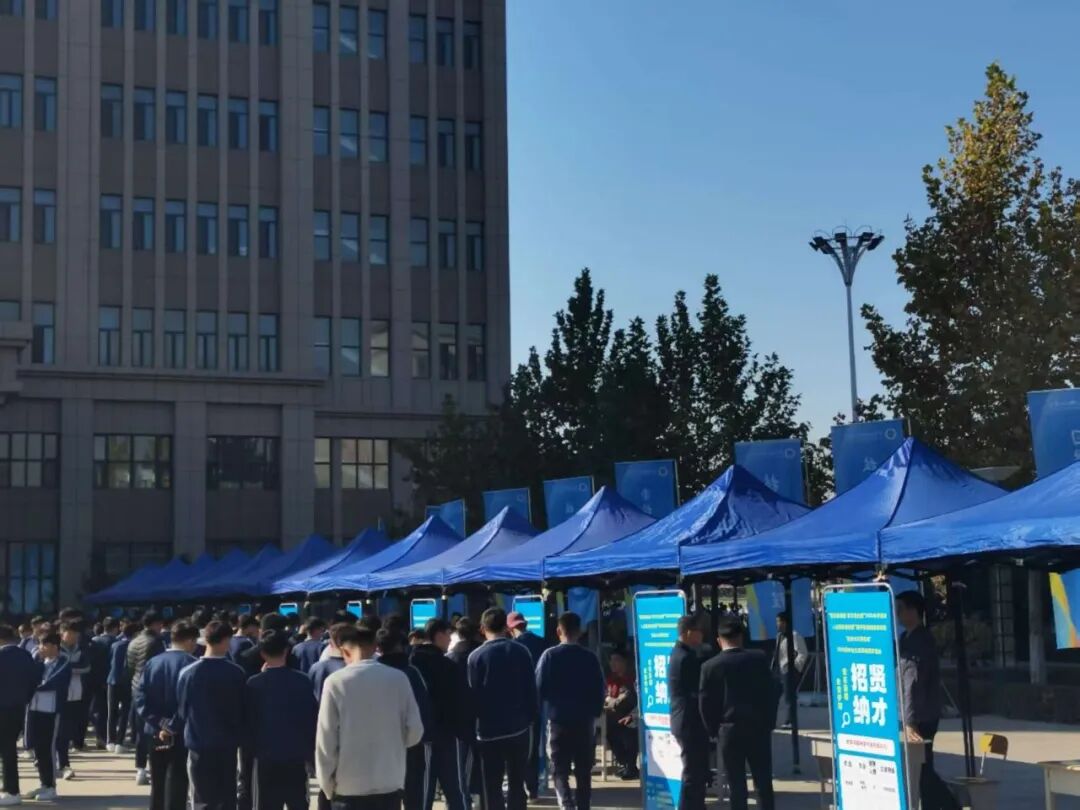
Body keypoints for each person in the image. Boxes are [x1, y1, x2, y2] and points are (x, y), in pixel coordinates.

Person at [315, 623, 424, 809]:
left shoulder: (335, 682)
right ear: (375, 648)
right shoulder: (399, 678)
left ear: (344, 651)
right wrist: (394, 747)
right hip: (389, 781)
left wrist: (326, 783)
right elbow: (415, 731)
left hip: (348, 784)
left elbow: (326, 738)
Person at [699, 615, 778, 810]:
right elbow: (773, 691)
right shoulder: (759, 659)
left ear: (719, 641)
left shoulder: (710, 667)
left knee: (736, 784)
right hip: (758, 728)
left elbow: (705, 703)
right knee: (763, 782)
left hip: (728, 730)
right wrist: (769, 722)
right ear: (741, 638)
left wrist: (713, 730)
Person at [467, 608, 538, 810]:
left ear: (482, 629)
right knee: (517, 782)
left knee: (491, 785)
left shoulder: (475, 657)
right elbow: (531, 689)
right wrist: (531, 718)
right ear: (506, 627)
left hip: (487, 731)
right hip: (519, 728)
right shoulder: (521, 651)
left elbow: (472, 695)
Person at [535, 612, 605, 810]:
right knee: (583, 771)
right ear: (580, 631)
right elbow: (599, 690)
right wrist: (595, 713)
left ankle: (566, 805)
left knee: (559, 770)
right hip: (584, 722)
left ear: (559, 631)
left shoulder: (549, 656)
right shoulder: (590, 658)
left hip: (558, 721)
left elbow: (538, 687)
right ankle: (583, 806)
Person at [175, 620, 248, 810]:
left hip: (198, 744)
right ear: (226, 640)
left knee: (201, 799)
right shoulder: (237, 672)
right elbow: (243, 710)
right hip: (228, 744)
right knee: (227, 798)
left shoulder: (188, 673)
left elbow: (182, 710)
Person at [896, 591, 959, 810]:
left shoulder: (921, 640)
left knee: (922, 768)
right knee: (921, 769)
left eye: (900, 609)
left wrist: (910, 721)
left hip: (922, 715)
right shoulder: (905, 638)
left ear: (913, 611)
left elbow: (913, 683)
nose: (897, 613)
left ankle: (951, 805)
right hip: (914, 713)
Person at [245, 629, 318, 810]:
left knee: (266, 804)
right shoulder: (302, 680)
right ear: (286, 650)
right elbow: (311, 718)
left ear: (262, 654)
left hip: (265, 755)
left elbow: (249, 722)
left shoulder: (253, 683)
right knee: (298, 802)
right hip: (296, 754)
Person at [135, 621, 199, 810]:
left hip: (154, 729)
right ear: (189, 640)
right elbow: (190, 702)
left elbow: (140, 697)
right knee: (178, 781)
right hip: (181, 731)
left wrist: (158, 722)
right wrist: (172, 725)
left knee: (158, 781)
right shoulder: (192, 664)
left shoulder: (153, 662)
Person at [409, 619, 470, 810]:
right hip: (447, 734)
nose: (450, 639)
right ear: (439, 635)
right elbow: (460, 700)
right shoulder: (447, 665)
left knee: (423, 790)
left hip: (418, 736)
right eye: (448, 634)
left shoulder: (411, 662)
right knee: (455, 789)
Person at [376, 629, 432, 810]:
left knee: (385, 796)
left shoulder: (373, 673)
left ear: (379, 648)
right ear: (401, 646)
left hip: (381, 744)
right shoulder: (411, 672)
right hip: (411, 743)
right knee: (414, 794)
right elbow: (423, 707)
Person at [23, 631, 70, 802]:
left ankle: (51, 786)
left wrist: (33, 688)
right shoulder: (40, 661)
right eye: (40, 644)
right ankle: (44, 783)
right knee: (38, 749)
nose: (40, 648)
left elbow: (52, 682)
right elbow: (31, 677)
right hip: (35, 708)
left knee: (48, 747)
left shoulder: (63, 662)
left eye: (44, 645)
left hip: (50, 710)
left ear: (55, 647)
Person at [669, 614, 709, 810]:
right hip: (689, 720)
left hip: (683, 719)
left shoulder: (679, 653)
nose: (702, 635)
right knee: (693, 772)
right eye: (699, 631)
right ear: (688, 632)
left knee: (696, 770)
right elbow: (697, 691)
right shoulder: (685, 658)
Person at [507, 611, 546, 800]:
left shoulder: (511, 647)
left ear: (510, 629)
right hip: (537, 703)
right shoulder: (542, 643)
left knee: (515, 749)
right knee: (533, 747)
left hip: (515, 705)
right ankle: (533, 787)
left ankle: (517, 787)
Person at [0, 624, 40, 805]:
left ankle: (11, 790)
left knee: (6, 751)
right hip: (18, 708)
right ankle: (9, 788)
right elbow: (34, 681)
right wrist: (24, 699)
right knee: (9, 749)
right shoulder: (25, 655)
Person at [447, 617, 482, 809]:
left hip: (457, 719)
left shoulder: (451, 657)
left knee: (461, 767)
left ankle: (463, 801)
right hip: (481, 717)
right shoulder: (480, 654)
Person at [128, 611, 167, 786]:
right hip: (152, 689)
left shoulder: (133, 641)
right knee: (153, 729)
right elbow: (159, 667)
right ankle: (154, 766)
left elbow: (129, 666)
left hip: (136, 687)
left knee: (139, 731)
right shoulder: (156, 642)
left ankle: (140, 768)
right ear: (155, 624)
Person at [57, 620, 91, 780]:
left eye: (76, 634)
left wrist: (69, 668)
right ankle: (61, 763)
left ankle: (62, 763)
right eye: (70, 634)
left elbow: (87, 667)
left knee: (67, 730)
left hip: (75, 694)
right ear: (62, 634)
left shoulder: (81, 649)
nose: (74, 637)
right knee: (58, 731)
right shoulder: (55, 648)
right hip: (58, 695)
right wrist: (71, 668)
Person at [603, 648, 639, 779]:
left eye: (616, 660)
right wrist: (610, 700)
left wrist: (610, 701)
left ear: (625, 662)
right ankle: (627, 764)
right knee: (609, 733)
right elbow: (606, 697)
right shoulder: (611, 680)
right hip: (614, 718)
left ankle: (630, 766)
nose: (613, 663)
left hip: (632, 716)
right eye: (611, 660)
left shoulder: (632, 680)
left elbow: (623, 700)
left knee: (628, 732)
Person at [107, 620, 139, 752]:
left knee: (112, 712)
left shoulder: (115, 644)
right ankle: (120, 742)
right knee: (125, 712)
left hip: (112, 680)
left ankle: (110, 740)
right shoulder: (135, 646)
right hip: (127, 681)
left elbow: (110, 661)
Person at [772, 612, 808, 729]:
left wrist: (794, 668)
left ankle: (790, 721)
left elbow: (803, 653)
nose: (777, 624)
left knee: (789, 698)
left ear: (785, 622)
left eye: (779, 621)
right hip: (778, 671)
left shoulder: (795, 636)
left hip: (788, 671)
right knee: (773, 697)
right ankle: (771, 721)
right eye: (777, 621)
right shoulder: (779, 636)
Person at [89, 618, 120, 751]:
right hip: (110, 680)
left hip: (94, 679)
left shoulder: (94, 641)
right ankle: (109, 737)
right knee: (110, 711)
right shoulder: (117, 643)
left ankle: (100, 737)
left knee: (98, 710)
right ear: (116, 628)